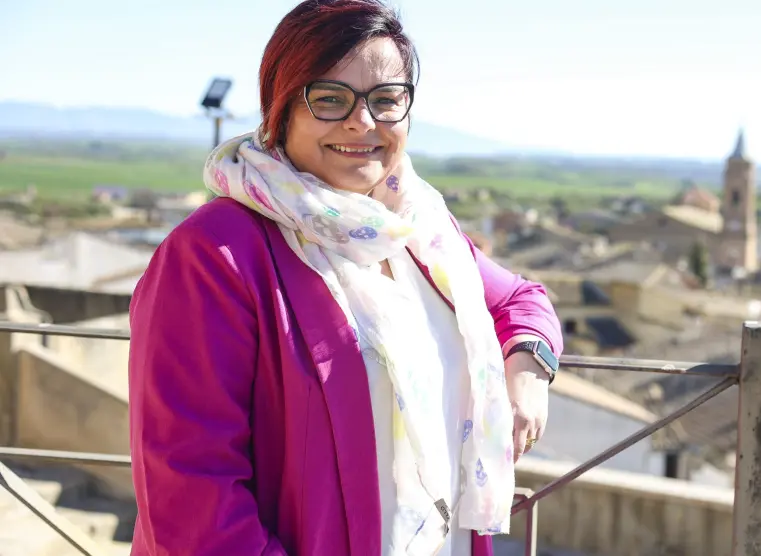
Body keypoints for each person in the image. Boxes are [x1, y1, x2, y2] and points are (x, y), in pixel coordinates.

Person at [126, 1, 563, 555]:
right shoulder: (214, 255)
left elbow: (521, 300)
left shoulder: (420, 230)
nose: (363, 122)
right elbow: (191, 498)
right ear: (281, 110)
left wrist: (528, 373)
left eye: (386, 99)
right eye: (330, 99)